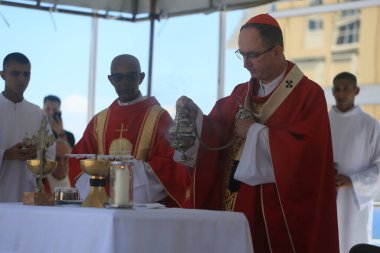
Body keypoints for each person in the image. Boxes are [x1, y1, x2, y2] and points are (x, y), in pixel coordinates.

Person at [174, 14, 339, 252]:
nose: (245, 63)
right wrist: (194, 119)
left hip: (271, 213)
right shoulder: (240, 93)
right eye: (241, 54)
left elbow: (305, 157)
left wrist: (254, 131)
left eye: (253, 55)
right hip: (231, 206)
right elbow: (215, 134)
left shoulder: (307, 95)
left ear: (277, 51)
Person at [69, 54, 191, 207]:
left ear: (141, 77)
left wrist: (118, 181)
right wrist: (102, 186)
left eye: (131, 76)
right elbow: (77, 161)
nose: (125, 83)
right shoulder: (99, 121)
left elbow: (169, 165)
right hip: (103, 208)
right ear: (110, 80)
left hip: (143, 210)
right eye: (118, 78)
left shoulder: (159, 117)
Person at [329, 72, 380, 253]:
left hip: (355, 204)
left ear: (356, 90)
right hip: (324, 199)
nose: (341, 94)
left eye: (346, 89)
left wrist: (353, 181)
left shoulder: (370, 125)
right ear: (332, 92)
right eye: (337, 89)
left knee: (354, 245)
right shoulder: (322, 123)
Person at [0, 52, 55, 202]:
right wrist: (6, 154)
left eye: (26, 74)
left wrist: (35, 155)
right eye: (16, 73)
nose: (22, 79)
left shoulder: (37, 113)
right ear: (3, 74)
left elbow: (49, 151)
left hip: (27, 195)